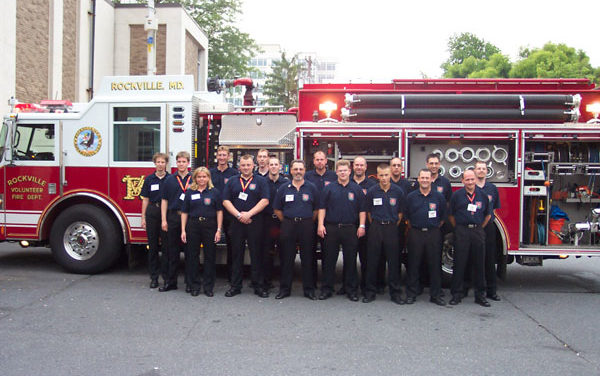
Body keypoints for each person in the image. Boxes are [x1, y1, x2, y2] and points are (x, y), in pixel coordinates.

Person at [317, 159, 366, 301]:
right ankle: (327, 289)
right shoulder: (329, 188)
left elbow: (362, 210)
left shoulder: (356, 189)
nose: (343, 173)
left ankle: (351, 290)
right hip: (331, 228)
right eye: (340, 170)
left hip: (350, 228)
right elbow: (322, 208)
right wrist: (321, 225)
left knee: (350, 260)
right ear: (336, 172)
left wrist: (362, 226)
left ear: (349, 172)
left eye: (345, 170)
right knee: (329, 260)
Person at [222, 154, 270, 298]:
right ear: (239, 167)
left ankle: (258, 286)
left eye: (248, 165)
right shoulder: (232, 181)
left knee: (257, 254)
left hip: (255, 222)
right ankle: (235, 286)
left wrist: (248, 214)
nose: (246, 167)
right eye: (243, 165)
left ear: (253, 166)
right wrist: (239, 215)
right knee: (237, 255)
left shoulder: (261, 181)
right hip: (236, 223)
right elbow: (225, 201)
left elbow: (265, 200)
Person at [273, 159, 319, 300]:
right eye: (295, 169)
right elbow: (277, 208)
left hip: (307, 225)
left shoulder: (312, 188)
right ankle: (284, 289)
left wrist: (307, 221)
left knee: (307, 259)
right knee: (287, 258)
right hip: (288, 225)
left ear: (304, 171)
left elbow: (317, 209)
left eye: (301, 169)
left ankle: (309, 290)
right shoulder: (283, 188)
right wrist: (288, 221)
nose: (298, 172)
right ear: (290, 171)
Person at [362, 164, 406, 304]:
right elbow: (369, 213)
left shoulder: (398, 192)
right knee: (372, 261)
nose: (384, 178)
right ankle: (370, 292)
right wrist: (377, 223)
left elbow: (400, 214)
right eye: (381, 175)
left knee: (393, 261)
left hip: (392, 228)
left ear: (390, 174)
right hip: (376, 227)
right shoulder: (372, 191)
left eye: (386, 175)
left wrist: (390, 224)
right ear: (377, 175)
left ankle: (395, 293)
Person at [448, 169, 492, 307]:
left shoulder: (483, 195)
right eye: (467, 179)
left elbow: (488, 215)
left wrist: (478, 227)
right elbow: (451, 215)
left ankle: (480, 295)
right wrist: (460, 228)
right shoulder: (456, 196)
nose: (470, 182)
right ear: (462, 181)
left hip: (477, 232)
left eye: (472, 179)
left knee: (479, 264)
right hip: (462, 231)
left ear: (475, 179)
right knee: (459, 264)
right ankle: (456, 294)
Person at [404, 168, 447, 306]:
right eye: (422, 178)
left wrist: (432, 227)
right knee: (413, 264)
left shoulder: (438, 197)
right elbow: (407, 217)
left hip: (433, 233)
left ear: (431, 180)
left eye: (427, 178)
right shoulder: (411, 197)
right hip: (415, 233)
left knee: (434, 265)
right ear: (418, 179)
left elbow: (442, 217)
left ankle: (435, 295)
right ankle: (411, 294)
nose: (424, 180)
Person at [180, 167, 223, 297]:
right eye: (199, 177)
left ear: (208, 178)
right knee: (193, 257)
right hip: (193, 226)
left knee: (210, 257)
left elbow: (219, 211)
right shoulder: (189, 192)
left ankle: (208, 287)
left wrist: (219, 230)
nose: (201, 179)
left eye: (204, 177)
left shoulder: (214, 192)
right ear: (195, 178)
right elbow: (184, 212)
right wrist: (183, 230)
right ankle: (194, 285)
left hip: (210, 226)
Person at [159, 151, 192, 292]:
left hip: (190, 218)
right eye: (179, 161)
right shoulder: (169, 180)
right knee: (172, 251)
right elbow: (164, 200)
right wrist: (164, 220)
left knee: (190, 252)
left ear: (188, 163)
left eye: (184, 161)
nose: (181, 164)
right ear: (176, 163)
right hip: (173, 217)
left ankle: (190, 283)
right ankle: (170, 282)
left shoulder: (194, 179)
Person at [350, 156, 381, 296]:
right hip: (349, 225)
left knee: (366, 258)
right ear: (353, 166)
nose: (359, 167)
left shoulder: (373, 185)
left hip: (367, 227)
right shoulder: (346, 182)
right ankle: (349, 286)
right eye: (356, 165)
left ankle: (366, 287)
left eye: (361, 165)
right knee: (349, 258)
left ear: (366, 167)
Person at [305, 150, 337, 286]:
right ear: (313, 161)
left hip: (328, 220)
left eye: (321, 159)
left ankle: (327, 282)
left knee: (328, 253)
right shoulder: (307, 176)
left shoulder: (334, 176)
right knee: (310, 251)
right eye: (317, 159)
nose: (319, 162)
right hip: (311, 219)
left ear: (326, 161)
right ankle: (311, 282)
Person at [140, 152, 169, 289]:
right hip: (152, 212)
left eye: (163, 162)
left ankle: (166, 276)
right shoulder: (149, 179)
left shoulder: (170, 179)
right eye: (158, 162)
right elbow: (145, 199)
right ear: (154, 163)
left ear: (166, 164)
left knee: (166, 247)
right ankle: (154, 277)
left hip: (166, 214)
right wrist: (143, 216)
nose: (160, 164)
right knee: (152, 246)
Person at [210, 145, 238, 282]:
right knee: (210, 244)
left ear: (229, 157)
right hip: (212, 213)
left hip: (229, 214)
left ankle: (231, 275)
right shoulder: (210, 173)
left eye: (224, 155)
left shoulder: (234, 174)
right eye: (219, 155)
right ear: (217, 156)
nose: (222, 157)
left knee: (232, 245)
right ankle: (210, 275)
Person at [474, 160, 502, 301]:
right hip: (475, 227)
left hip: (488, 227)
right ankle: (473, 290)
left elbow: (494, 208)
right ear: (474, 171)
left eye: (483, 168)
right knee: (473, 259)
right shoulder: (471, 187)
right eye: (478, 168)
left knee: (490, 259)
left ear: (487, 171)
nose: (481, 171)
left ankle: (492, 291)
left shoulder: (492, 188)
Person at [262, 156, 289, 291]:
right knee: (267, 252)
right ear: (267, 166)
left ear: (280, 166)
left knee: (284, 251)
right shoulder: (262, 182)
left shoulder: (285, 183)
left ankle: (284, 284)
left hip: (281, 222)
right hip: (267, 222)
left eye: (275, 164)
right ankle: (266, 282)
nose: (273, 167)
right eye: (270, 164)